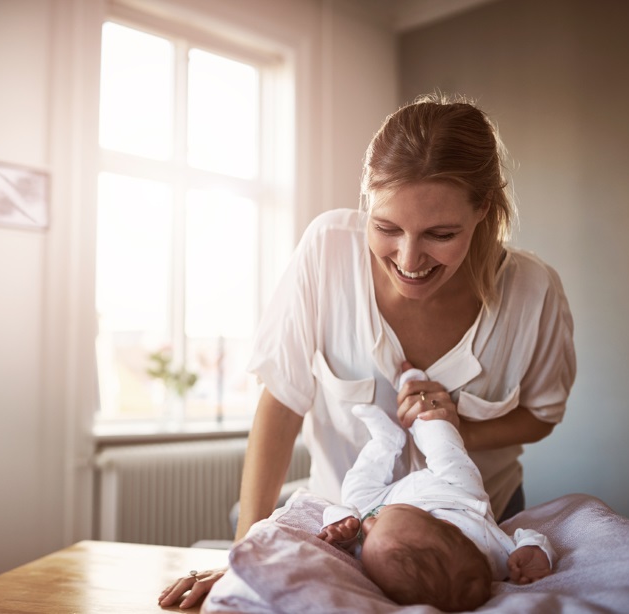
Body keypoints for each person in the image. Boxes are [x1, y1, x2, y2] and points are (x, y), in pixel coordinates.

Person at [158, 92, 575, 609]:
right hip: (344, 526)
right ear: (367, 203)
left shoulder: (535, 293)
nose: (408, 259)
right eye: (386, 227)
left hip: (477, 535)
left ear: (483, 208)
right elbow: (283, 404)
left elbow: (541, 415)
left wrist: (460, 427)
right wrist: (245, 558)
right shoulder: (327, 249)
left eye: (440, 234)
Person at [316, 367, 555, 611]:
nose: (368, 524)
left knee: (353, 494)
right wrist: (534, 552)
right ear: (447, 525)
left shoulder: (379, 555)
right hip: (456, 494)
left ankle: (385, 441)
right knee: (444, 447)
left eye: (367, 537)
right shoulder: (494, 554)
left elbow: (348, 532)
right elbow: (525, 539)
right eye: (375, 525)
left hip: (390, 499)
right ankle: (420, 403)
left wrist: (341, 527)